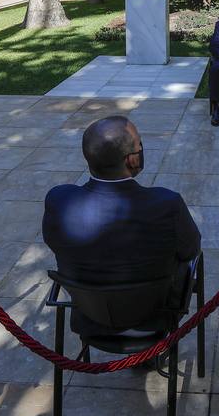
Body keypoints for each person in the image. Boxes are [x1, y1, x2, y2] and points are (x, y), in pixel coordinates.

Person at [42, 116, 201, 339]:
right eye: (139, 146)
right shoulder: (166, 204)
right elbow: (190, 251)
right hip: (153, 314)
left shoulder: (58, 201)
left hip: (89, 313)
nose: (142, 150)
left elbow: (53, 242)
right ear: (131, 160)